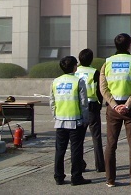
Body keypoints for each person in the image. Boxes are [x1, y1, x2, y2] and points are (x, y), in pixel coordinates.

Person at [99, 33, 131, 188]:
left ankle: (110, 180)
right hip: (130, 109)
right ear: (129, 45)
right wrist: (128, 104)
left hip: (113, 109)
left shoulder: (107, 63)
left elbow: (103, 88)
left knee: (111, 144)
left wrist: (113, 104)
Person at [50, 55, 91, 186]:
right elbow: (84, 103)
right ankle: (76, 176)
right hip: (75, 120)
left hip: (60, 120)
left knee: (60, 150)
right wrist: (85, 119)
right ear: (74, 67)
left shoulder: (55, 81)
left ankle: (58, 176)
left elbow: (52, 101)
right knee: (76, 150)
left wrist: (55, 116)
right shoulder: (78, 81)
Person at [75, 48, 105, 173]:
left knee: (79, 138)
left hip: (78, 106)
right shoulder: (94, 72)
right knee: (96, 136)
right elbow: (100, 90)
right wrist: (100, 104)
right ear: (91, 59)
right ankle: (100, 165)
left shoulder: (75, 72)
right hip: (92, 105)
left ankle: (79, 164)